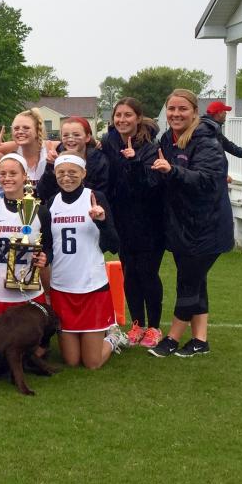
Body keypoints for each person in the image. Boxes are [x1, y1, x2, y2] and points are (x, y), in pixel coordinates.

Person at [148, 89, 233, 358]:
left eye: (182, 109)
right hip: (183, 226)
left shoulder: (207, 141)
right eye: (171, 109)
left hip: (208, 226)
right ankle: (200, 341)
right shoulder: (167, 139)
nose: (176, 114)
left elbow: (207, 181)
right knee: (197, 282)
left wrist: (173, 171)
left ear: (194, 112)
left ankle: (171, 339)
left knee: (188, 283)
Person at [46, 153, 122, 369]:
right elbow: (49, 246)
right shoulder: (52, 202)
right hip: (62, 286)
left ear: (83, 173)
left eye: (72, 172)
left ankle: (114, 336)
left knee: (92, 363)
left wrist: (102, 222)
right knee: (71, 361)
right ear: (55, 174)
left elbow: (114, 246)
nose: (66, 177)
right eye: (61, 172)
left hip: (92, 286)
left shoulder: (95, 197)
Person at [101, 98, 165, 348]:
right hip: (123, 221)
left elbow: (151, 185)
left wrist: (134, 161)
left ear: (138, 118)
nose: (122, 120)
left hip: (150, 222)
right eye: (118, 115)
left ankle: (154, 327)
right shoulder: (109, 142)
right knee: (130, 275)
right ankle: (137, 323)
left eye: (128, 115)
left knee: (147, 274)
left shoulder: (150, 146)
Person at [0, 154, 50, 327]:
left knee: (32, 348)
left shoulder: (40, 211)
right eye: (3, 174)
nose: (7, 178)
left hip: (29, 290)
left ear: (24, 176)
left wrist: (45, 258)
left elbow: (48, 248)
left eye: (13, 173)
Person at [36, 116, 109, 201]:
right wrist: (51, 167)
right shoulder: (55, 157)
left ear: (87, 137)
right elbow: (43, 194)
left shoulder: (99, 160)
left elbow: (103, 193)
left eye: (76, 135)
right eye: (66, 135)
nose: (70, 139)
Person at [0, 108, 56, 186]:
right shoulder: (13, 147)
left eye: (26, 128)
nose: (20, 132)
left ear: (37, 130)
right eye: (16, 128)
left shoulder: (50, 147)